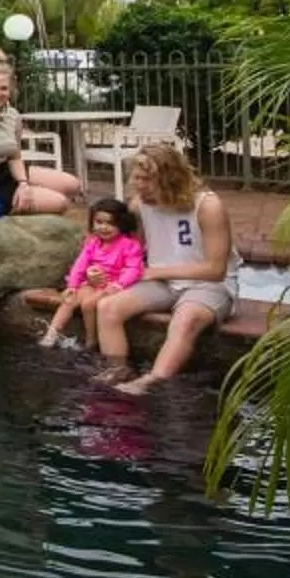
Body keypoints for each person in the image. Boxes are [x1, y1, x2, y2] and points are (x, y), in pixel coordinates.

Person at [93, 141, 235, 394]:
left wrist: (157, 272)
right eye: (136, 178)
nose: (137, 185)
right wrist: (106, 274)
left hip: (208, 285)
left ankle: (152, 381)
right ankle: (118, 369)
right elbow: (132, 252)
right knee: (108, 307)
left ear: (169, 178)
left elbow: (216, 270)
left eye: (145, 179)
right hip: (161, 283)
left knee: (185, 320)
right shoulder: (140, 205)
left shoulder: (208, 206)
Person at [0, 53, 83, 216]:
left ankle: (26, 190)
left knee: (72, 184)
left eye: (3, 88)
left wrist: (23, 184)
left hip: (4, 171)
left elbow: (15, 156)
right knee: (60, 202)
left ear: (11, 88)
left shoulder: (13, 115)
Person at [42, 199, 145, 348]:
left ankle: (91, 340)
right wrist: (72, 285)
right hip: (92, 283)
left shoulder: (129, 245)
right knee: (69, 300)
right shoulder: (94, 242)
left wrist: (118, 285)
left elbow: (134, 268)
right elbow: (80, 264)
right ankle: (51, 335)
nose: (104, 227)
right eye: (99, 222)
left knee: (88, 304)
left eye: (110, 223)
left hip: (113, 285)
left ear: (122, 224)